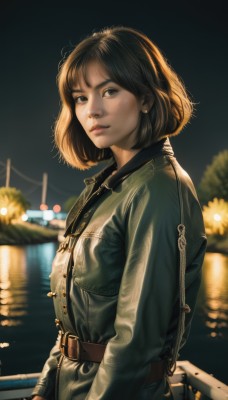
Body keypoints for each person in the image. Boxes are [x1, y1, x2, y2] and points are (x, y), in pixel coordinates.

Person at [32, 26, 207, 400]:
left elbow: (135, 343)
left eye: (110, 91)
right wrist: (43, 390)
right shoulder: (107, 188)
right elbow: (70, 327)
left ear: (145, 98)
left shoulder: (158, 188)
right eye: (80, 97)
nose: (91, 110)